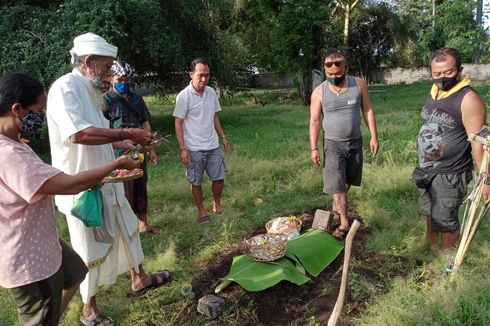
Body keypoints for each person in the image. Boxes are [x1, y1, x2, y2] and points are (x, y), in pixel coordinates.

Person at [46, 32, 171, 326]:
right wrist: (127, 132)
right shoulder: (65, 87)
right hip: (82, 187)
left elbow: (98, 136)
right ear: (88, 62)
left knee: (128, 228)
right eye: (106, 67)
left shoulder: (91, 91)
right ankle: (88, 310)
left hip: (108, 179)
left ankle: (139, 278)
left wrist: (120, 145)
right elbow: (78, 134)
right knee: (89, 248)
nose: (109, 73)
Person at [0, 73, 141, 325]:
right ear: (17, 109)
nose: (40, 118)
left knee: (76, 272)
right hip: (29, 260)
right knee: (38, 313)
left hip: (41, 240)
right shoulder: (9, 155)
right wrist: (116, 163)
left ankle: (49, 318)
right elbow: (71, 184)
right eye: (38, 111)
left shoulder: (12, 142)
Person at [415, 47, 489, 251]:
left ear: (459, 70)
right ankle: (429, 246)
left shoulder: (468, 99)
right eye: (437, 74)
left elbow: (479, 144)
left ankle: (443, 260)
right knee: (429, 211)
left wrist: (486, 180)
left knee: (446, 220)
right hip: (426, 168)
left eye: (448, 72)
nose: (442, 78)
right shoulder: (434, 92)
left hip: (450, 172)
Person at [309, 49, 379, 239]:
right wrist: (314, 147)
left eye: (338, 72)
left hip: (355, 142)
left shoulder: (358, 84)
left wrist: (374, 136)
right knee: (338, 186)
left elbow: (368, 110)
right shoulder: (318, 92)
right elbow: (315, 121)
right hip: (333, 144)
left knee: (348, 181)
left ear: (345, 67)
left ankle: (336, 205)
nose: (333, 75)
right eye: (329, 73)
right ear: (325, 70)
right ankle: (344, 223)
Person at [103, 61, 160, 234]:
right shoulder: (105, 100)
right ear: (111, 78)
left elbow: (145, 123)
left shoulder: (136, 97)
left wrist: (150, 148)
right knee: (123, 189)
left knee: (141, 184)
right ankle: (126, 228)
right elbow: (103, 131)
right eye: (120, 79)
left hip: (138, 151)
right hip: (117, 153)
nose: (124, 83)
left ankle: (143, 223)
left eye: (127, 79)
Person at [173, 57, 230, 223]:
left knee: (219, 178)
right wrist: (183, 148)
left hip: (213, 145)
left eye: (207, 75)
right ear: (191, 74)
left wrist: (223, 137)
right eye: (200, 75)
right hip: (194, 147)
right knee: (196, 181)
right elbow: (178, 122)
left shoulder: (211, 92)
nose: (204, 79)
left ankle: (216, 204)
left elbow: (214, 116)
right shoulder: (183, 96)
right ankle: (202, 211)